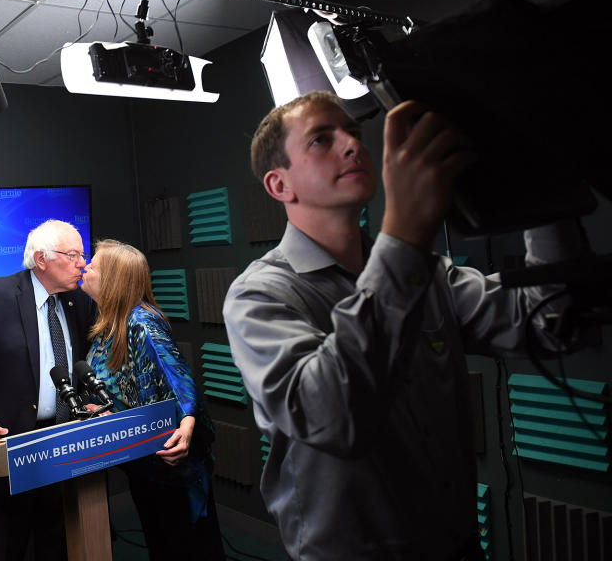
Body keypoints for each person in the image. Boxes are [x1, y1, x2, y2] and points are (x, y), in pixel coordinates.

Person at [223, 91, 589, 560]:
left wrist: (542, 190)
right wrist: (404, 234)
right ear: (280, 186)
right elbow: (333, 415)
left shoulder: (428, 274)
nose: (353, 145)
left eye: (353, 132)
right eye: (321, 139)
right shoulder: (259, 295)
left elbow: (548, 322)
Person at [0, 219, 97, 561]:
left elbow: (81, 365)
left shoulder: (77, 302)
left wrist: (89, 402)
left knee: (54, 544)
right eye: (73, 255)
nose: (81, 263)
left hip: (61, 444)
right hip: (8, 451)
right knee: (8, 549)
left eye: (82, 255)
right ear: (42, 259)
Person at [80, 239, 226, 561]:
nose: (85, 267)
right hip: (143, 464)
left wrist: (187, 424)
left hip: (173, 469)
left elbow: (179, 379)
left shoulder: (141, 323)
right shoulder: (109, 325)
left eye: (93, 264)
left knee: (187, 549)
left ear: (113, 279)